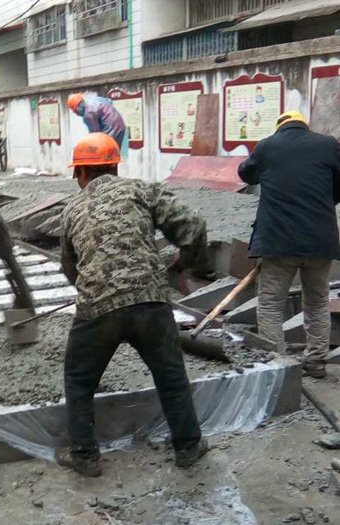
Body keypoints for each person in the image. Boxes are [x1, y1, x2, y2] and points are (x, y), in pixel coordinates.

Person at [57, 132, 211, 477]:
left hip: (97, 309)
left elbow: (68, 266)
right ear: (114, 165)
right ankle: (188, 448)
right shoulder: (143, 190)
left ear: (80, 173)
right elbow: (193, 224)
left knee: (79, 380)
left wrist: (91, 287)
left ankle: (84, 456)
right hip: (150, 303)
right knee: (170, 376)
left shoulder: (71, 210)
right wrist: (189, 265)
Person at [238, 110, 340, 378]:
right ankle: (315, 362)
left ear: (279, 126)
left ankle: (279, 365)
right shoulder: (328, 145)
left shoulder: (268, 146)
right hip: (320, 240)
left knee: (271, 303)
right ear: (304, 125)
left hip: (278, 241)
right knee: (317, 302)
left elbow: (245, 175)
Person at [67, 93, 129, 158]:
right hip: (120, 126)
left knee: (106, 156)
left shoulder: (88, 114)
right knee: (113, 154)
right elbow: (109, 101)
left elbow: (96, 135)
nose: (76, 114)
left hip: (111, 129)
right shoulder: (94, 101)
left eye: (75, 111)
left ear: (78, 107)